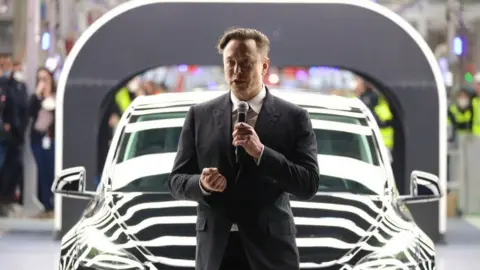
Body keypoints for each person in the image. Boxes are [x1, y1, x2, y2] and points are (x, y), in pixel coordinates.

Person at [168, 27, 320, 270]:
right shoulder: (199, 115)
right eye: (230, 63)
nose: (237, 71)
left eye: (246, 63)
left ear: (264, 66)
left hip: (270, 252)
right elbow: (176, 181)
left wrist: (262, 153)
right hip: (216, 251)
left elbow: (308, 183)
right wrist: (202, 184)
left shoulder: (294, 117)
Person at [28, 67, 56, 218]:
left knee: (52, 169)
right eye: (40, 79)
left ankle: (54, 202)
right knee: (42, 170)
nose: (43, 82)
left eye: (46, 79)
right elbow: (30, 113)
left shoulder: (56, 96)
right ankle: (46, 204)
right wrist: (38, 96)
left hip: (52, 139)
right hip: (38, 138)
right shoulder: (35, 99)